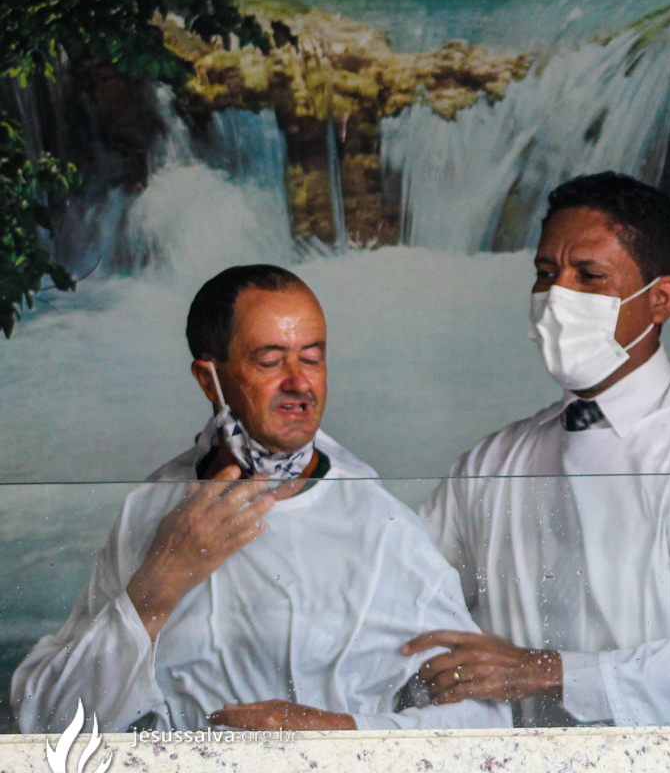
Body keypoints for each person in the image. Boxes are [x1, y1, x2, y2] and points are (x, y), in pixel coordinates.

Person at [9, 265, 509, 734]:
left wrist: (340, 733)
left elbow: (486, 715)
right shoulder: (149, 510)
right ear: (208, 379)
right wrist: (158, 586)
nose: (299, 383)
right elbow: (47, 723)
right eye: (270, 361)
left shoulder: (380, 525)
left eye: (312, 358)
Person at [409, 173, 670, 727]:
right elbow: (403, 608)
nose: (557, 298)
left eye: (589, 277)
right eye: (546, 273)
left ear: (660, 300)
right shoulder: (492, 462)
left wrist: (544, 671)